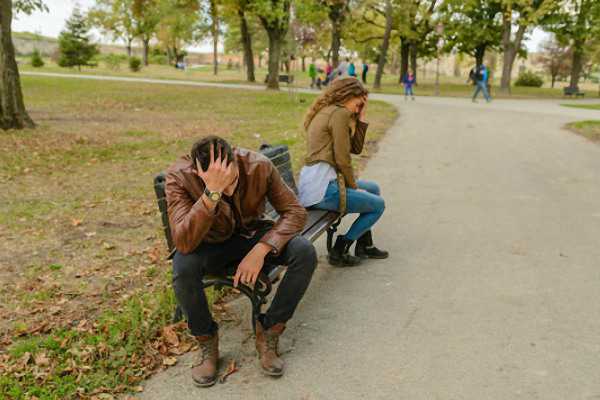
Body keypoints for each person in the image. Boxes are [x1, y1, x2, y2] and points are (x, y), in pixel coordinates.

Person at [165, 136, 317, 387]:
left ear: (235, 160)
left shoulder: (258, 165)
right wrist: (211, 194)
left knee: (304, 251)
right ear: (198, 171)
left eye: (231, 180)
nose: (227, 190)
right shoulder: (179, 176)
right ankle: (207, 341)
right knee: (183, 267)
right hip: (208, 242)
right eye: (217, 184)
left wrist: (261, 249)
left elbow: (295, 212)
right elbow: (183, 242)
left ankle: (269, 331)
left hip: (251, 235)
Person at [298, 78, 388, 267]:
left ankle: (364, 244)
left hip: (320, 181)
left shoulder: (330, 110)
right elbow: (342, 159)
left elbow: (354, 149)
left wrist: (361, 117)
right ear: (348, 95)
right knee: (378, 205)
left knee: (373, 188)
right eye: (359, 103)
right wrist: (353, 187)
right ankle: (341, 248)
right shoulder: (339, 113)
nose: (358, 107)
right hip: (322, 189)